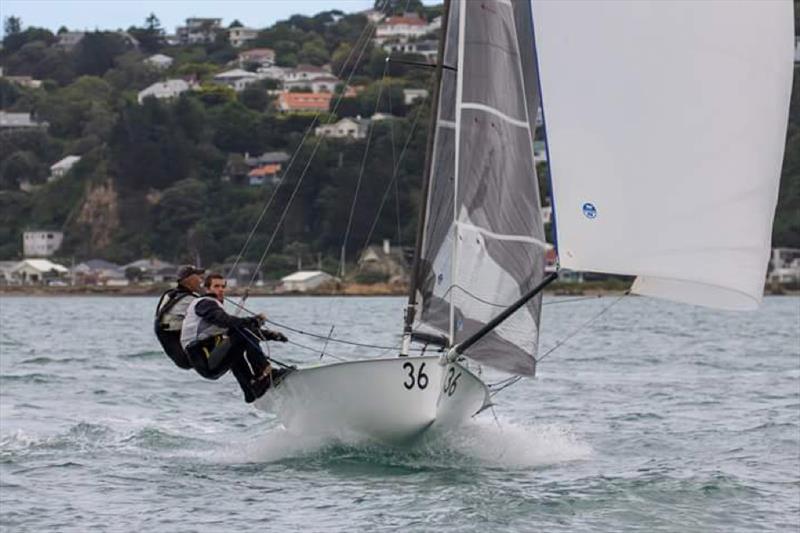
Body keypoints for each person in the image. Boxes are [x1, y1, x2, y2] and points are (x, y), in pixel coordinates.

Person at [181, 272, 289, 403]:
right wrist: (253, 320)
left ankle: (250, 389)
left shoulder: (213, 307)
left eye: (222, 286)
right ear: (207, 288)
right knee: (243, 331)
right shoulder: (205, 303)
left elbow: (233, 328)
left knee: (236, 341)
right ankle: (264, 372)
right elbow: (224, 320)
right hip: (204, 359)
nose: (220, 289)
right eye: (216, 286)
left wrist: (272, 335)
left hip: (210, 359)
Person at [154, 265, 205, 369]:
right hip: (186, 358)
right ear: (188, 280)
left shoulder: (169, 295)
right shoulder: (189, 300)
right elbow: (211, 314)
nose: (201, 280)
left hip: (174, 341)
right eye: (198, 277)